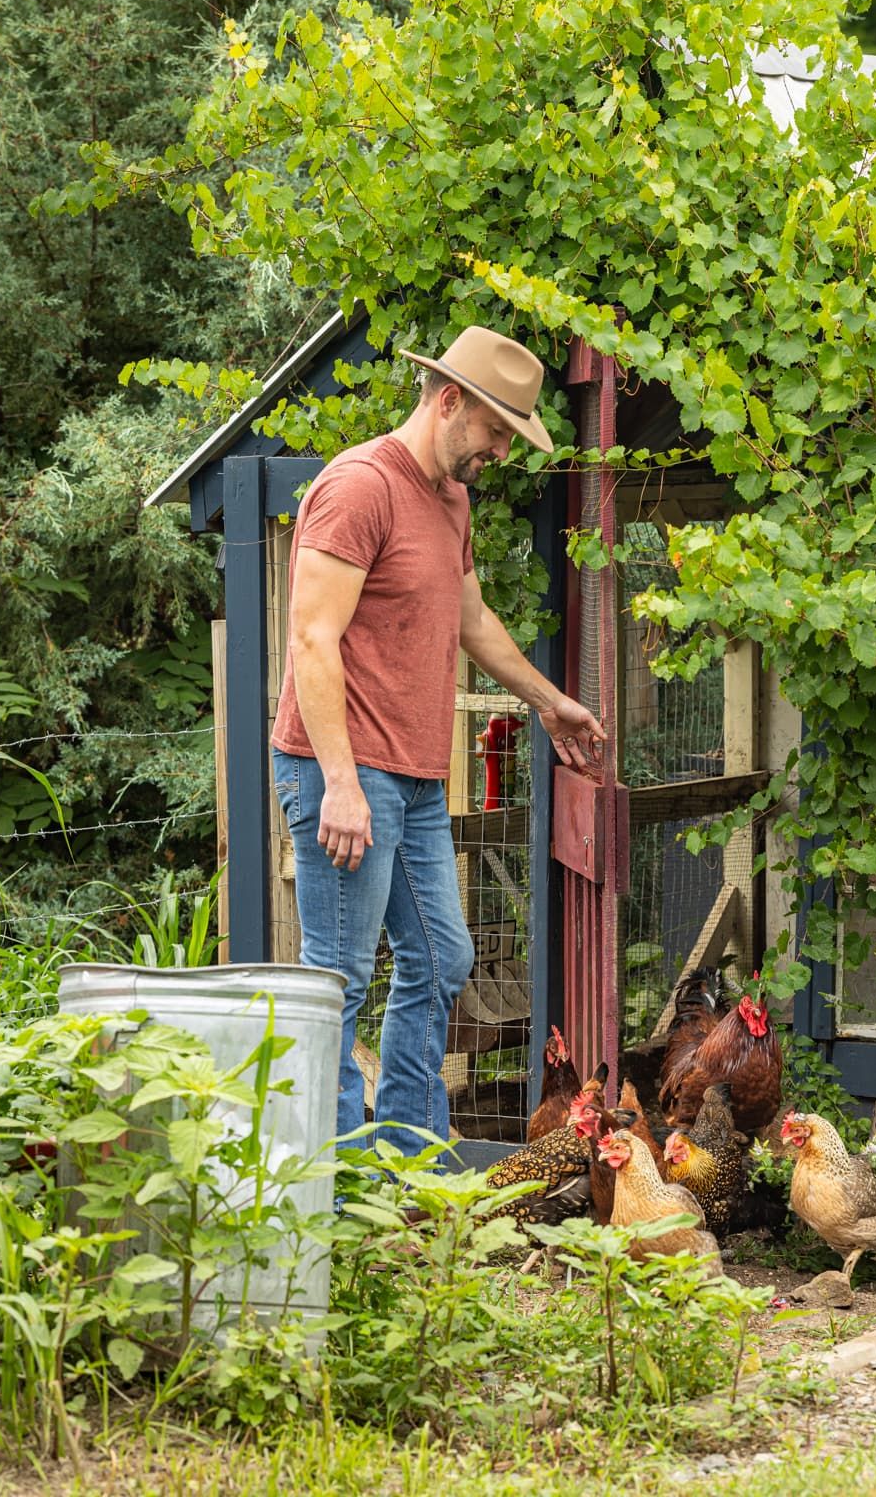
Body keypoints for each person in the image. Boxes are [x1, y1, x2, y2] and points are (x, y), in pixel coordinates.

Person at [271, 324, 605, 1148]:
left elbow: (471, 618)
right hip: (341, 769)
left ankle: (410, 1164)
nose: (498, 451)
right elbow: (311, 639)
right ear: (450, 400)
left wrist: (547, 701)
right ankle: (337, 1186)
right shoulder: (358, 488)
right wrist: (343, 785)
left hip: (415, 777)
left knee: (441, 960)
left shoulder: (450, 498)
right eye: (495, 431)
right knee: (339, 978)